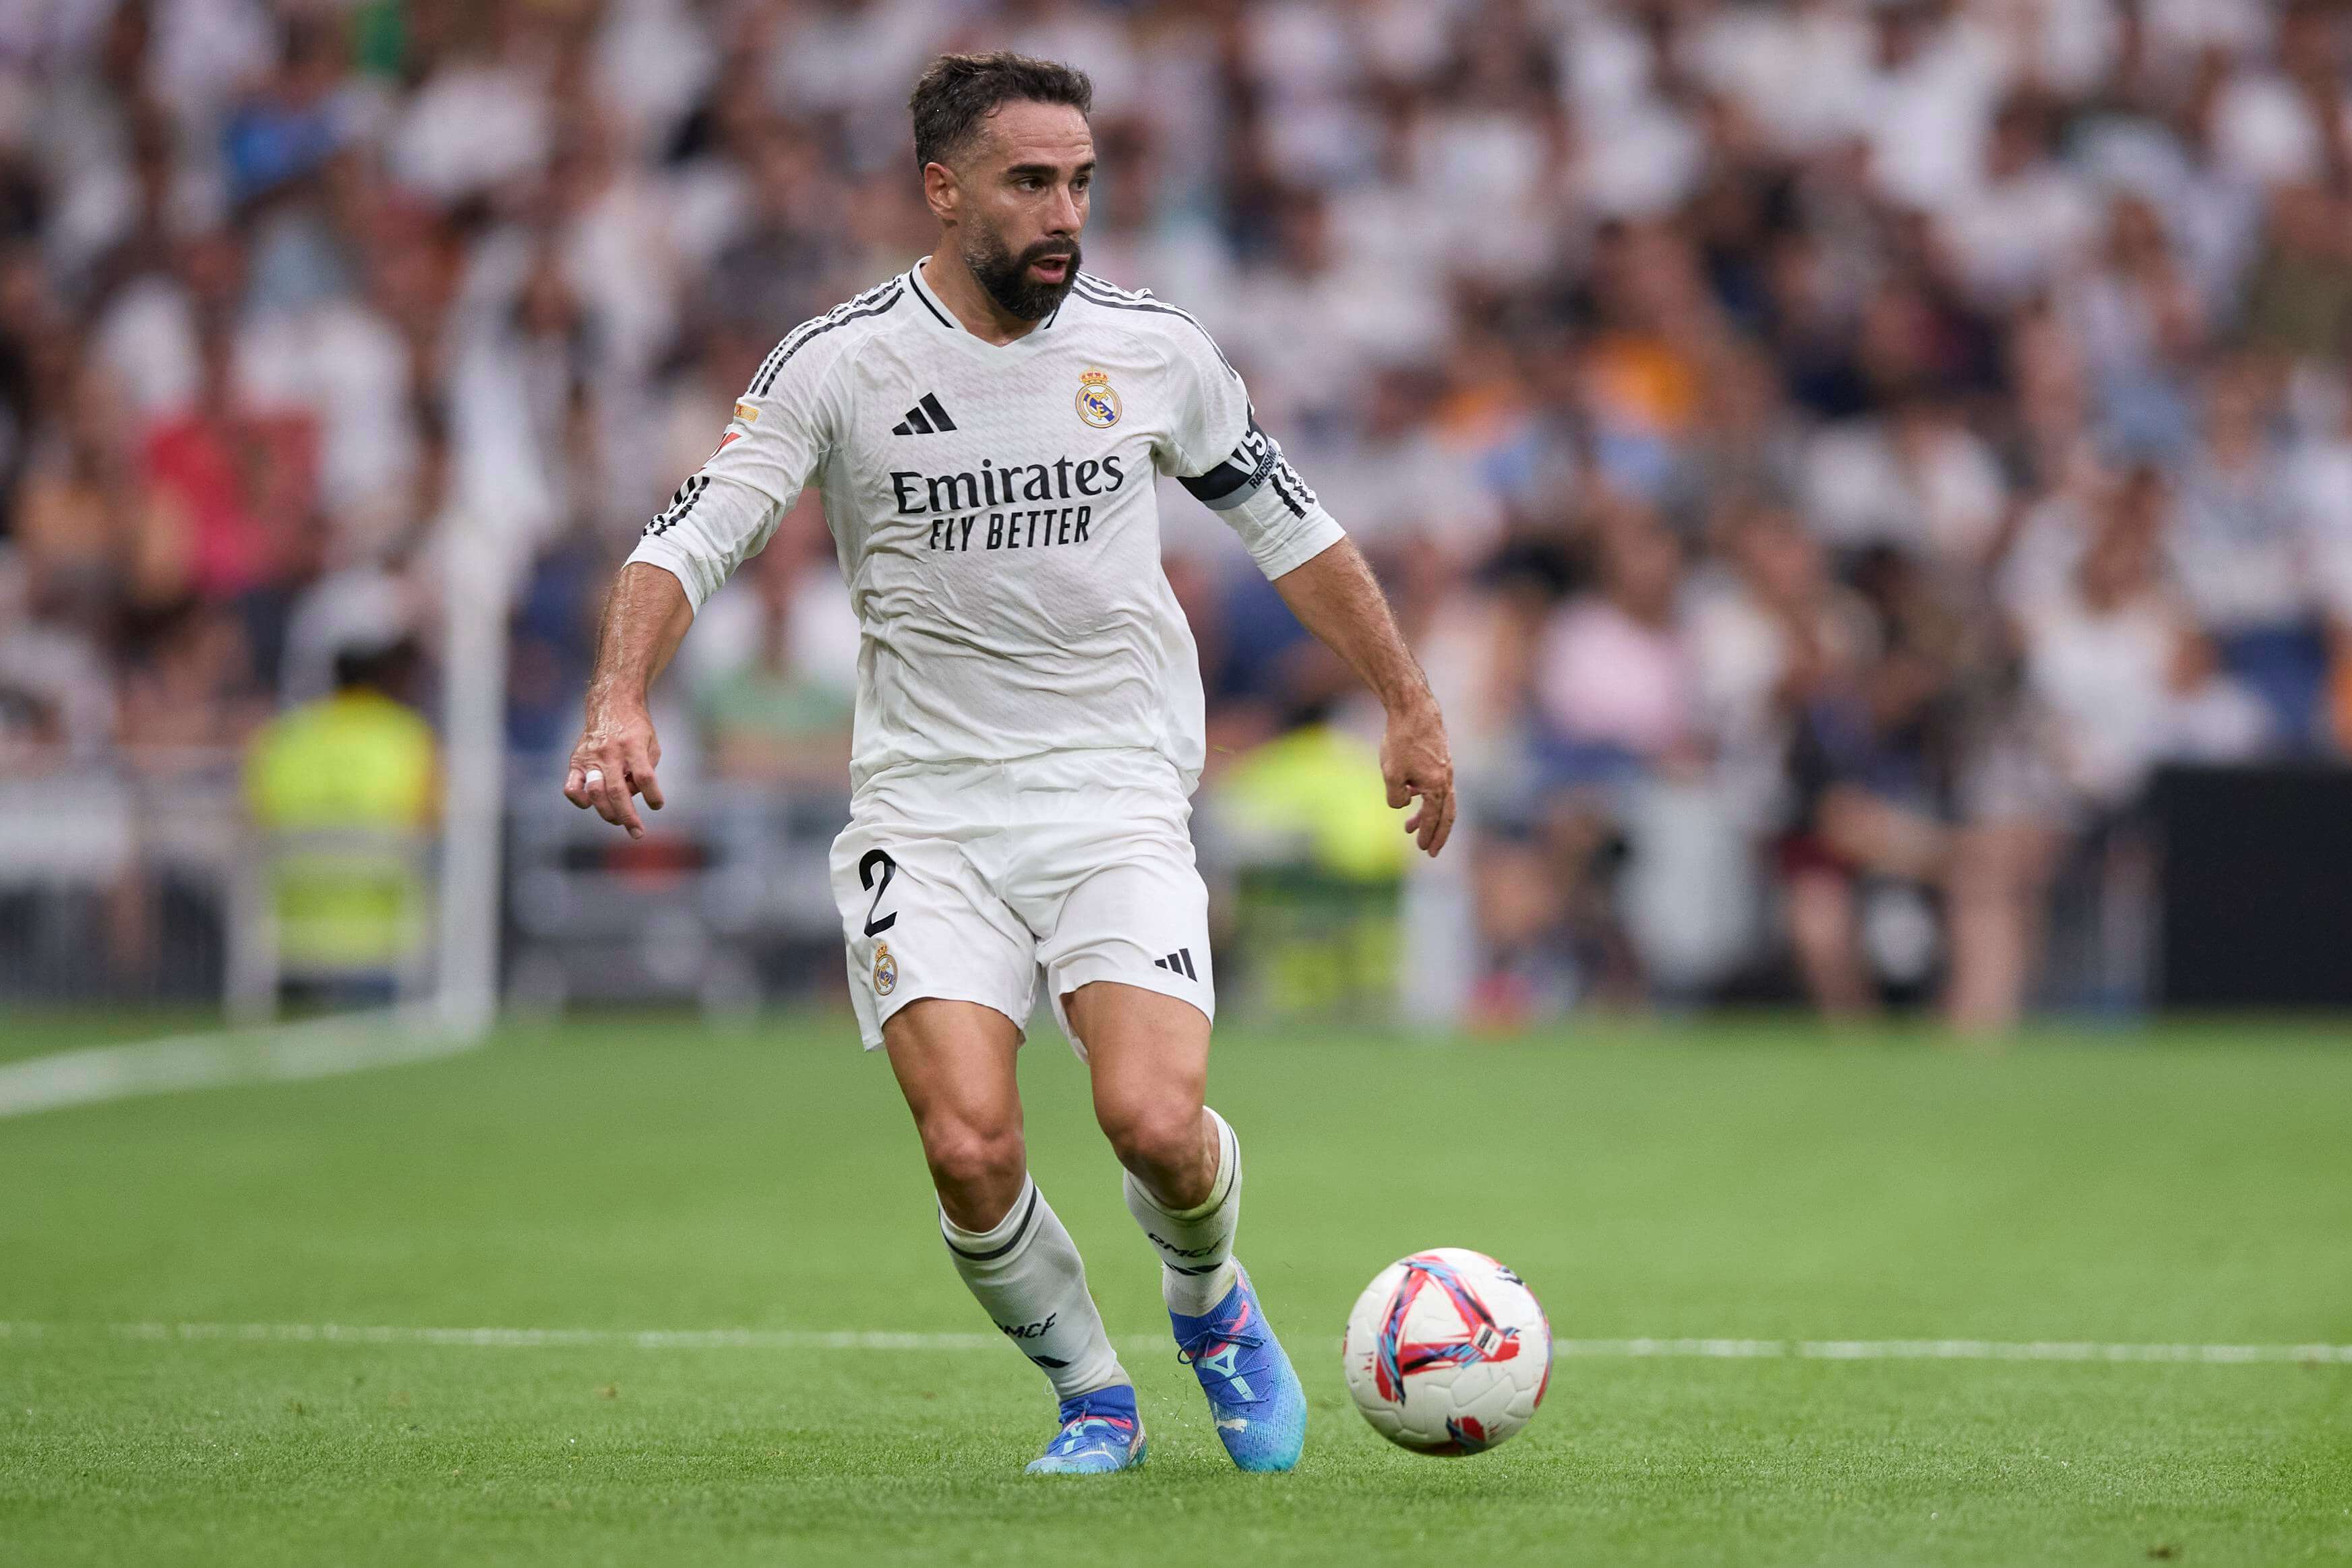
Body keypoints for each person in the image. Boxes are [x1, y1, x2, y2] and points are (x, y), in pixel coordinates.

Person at [562, 53, 1455, 1476]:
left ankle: (1211, 1300)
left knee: (1154, 1119)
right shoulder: (839, 362)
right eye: (1032, 182)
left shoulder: (1150, 348)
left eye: (1082, 182)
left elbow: (1295, 528)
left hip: (1113, 794)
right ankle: (1094, 1393)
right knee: (971, 1146)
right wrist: (619, 695)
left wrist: (1406, 703)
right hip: (926, 814)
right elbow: (688, 533)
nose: (1065, 211)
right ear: (943, 189)